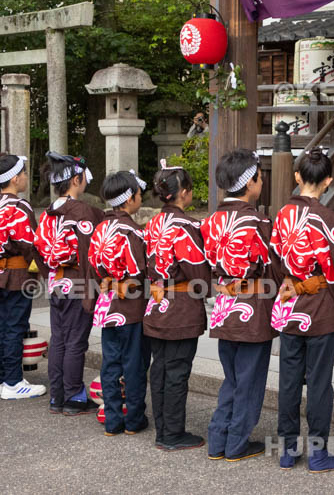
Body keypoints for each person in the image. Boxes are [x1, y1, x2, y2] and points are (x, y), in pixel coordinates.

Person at [270, 148, 334, 473]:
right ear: (328, 181)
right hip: (320, 307)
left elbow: (274, 259)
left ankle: (286, 449)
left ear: (297, 177)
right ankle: (319, 453)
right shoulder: (329, 219)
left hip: (289, 304)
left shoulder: (282, 214)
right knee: (320, 382)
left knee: (289, 379)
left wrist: (288, 282)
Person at [203, 149, 278, 462]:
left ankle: (217, 439)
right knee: (248, 379)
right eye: (260, 177)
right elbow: (273, 268)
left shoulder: (209, 221)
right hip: (253, 308)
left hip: (223, 305)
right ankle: (235, 444)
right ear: (251, 183)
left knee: (232, 377)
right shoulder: (258, 221)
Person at [144, 161, 208, 451]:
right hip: (179, 306)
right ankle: (172, 433)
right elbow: (198, 271)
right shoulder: (185, 226)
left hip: (156, 303)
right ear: (183, 193)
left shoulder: (152, 223)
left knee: (160, 367)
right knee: (177, 370)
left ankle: (163, 427)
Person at [34, 152, 104, 416]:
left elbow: (37, 250)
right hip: (77, 280)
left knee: (60, 340)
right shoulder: (81, 211)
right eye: (84, 177)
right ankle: (74, 395)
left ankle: (57, 396)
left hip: (56, 281)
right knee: (76, 342)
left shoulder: (49, 212)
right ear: (76, 179)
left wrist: (49, 274)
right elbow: (90, 253)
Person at [0, 154, 44, 400]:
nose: (26, 177)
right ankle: (14, 382)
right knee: (16, 326)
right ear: (15, 178)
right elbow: (29, 243)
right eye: (24, 173)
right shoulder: (18, 206)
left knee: (2, 326)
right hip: (17, 274)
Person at [88, 170, 150, 437]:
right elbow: (140, 272)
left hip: (107, 305)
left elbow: (92, 266)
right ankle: (134, 419)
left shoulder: (100, 227)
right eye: (138, 193)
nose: (140, 198)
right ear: (130, 199)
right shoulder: (131, 231)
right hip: (130, 307)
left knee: (110, 363)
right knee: (134, 364)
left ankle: (113, 420)